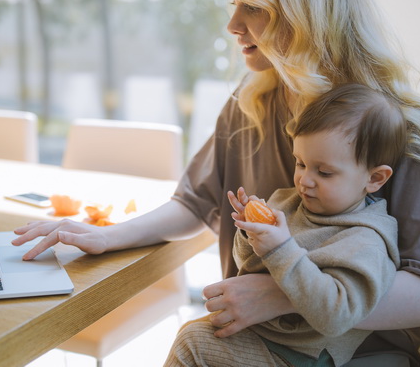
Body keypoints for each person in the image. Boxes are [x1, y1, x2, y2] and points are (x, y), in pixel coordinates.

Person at [12, 0, 420, 366]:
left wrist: (284, 294)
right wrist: (109, 236)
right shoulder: (251, 104)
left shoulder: (401, 127)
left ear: (304, 10)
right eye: (233, 2)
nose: (232, 24)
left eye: (253, 6)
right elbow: (195, 204)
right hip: (256, 343)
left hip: (360, 356)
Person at [164, 83, 405, 367]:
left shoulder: (366, 240)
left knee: (193, 344)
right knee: (192, 332)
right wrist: (251, 233)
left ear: (375, 179)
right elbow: (250, 267)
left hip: (301, 356)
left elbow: (337, 316)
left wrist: (281, 249)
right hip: (263, 335)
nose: (305, 180)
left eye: (324, 172)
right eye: (300, 163)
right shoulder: (289, 202)